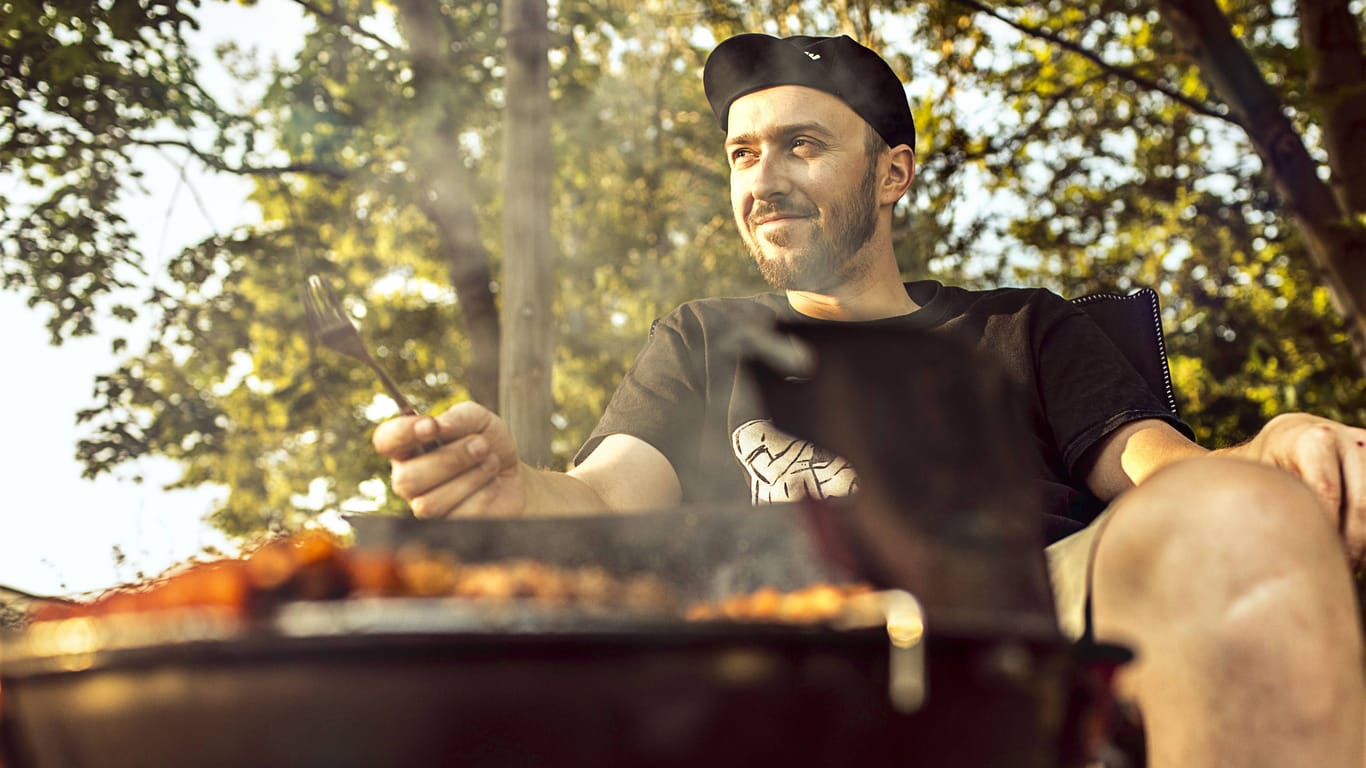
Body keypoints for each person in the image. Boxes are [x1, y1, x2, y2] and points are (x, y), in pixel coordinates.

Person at [374, 33, 1366, 767]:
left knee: (1239, 516)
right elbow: (599, 499)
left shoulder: (1023, 328)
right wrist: (509, 487)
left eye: (800, 143)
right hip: (769, 634)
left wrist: (1275, 454)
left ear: (892, 172)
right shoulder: (705, 341)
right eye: (742, 153)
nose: (762, 180)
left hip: (1027, 610)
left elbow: (1171, 480)